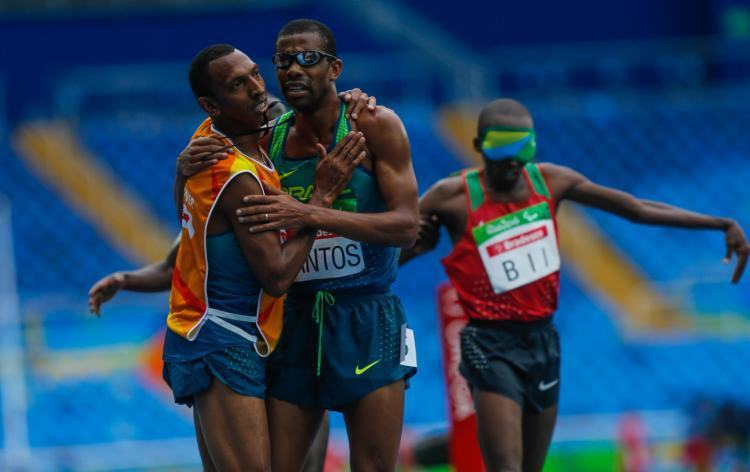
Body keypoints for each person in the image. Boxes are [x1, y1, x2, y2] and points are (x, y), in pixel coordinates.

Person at [398, 98, 750, 472]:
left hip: (542, 342)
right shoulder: (449, 197)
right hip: (488, 342)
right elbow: (395, 254)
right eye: (502, 146)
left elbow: (636, 208)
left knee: (531, 464)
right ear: (479, 147)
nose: (514, 159)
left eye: (523, 145)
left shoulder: (552, 181)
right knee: (505, 464)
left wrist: (719, 223)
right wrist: (414, 248)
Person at [177, 19, 419, 471]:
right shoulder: (268, 138)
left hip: (366, 316)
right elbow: (203, 221)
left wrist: (311, 212)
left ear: (335, 68)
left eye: (308, 58)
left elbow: (408, 226)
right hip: (294, 319)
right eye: (283, 61)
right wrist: (181, 168)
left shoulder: (374, 125)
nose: (293, 69)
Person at [164, 43, 366, 471]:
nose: (257, 88)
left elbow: (188, 210)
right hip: (225, 338)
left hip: (220, 334)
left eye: (255, 74)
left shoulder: (210, 138)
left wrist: (351, 99)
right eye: (239, 84)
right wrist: (320, 200)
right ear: (211, 104)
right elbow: (276, 277)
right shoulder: (236, 175)